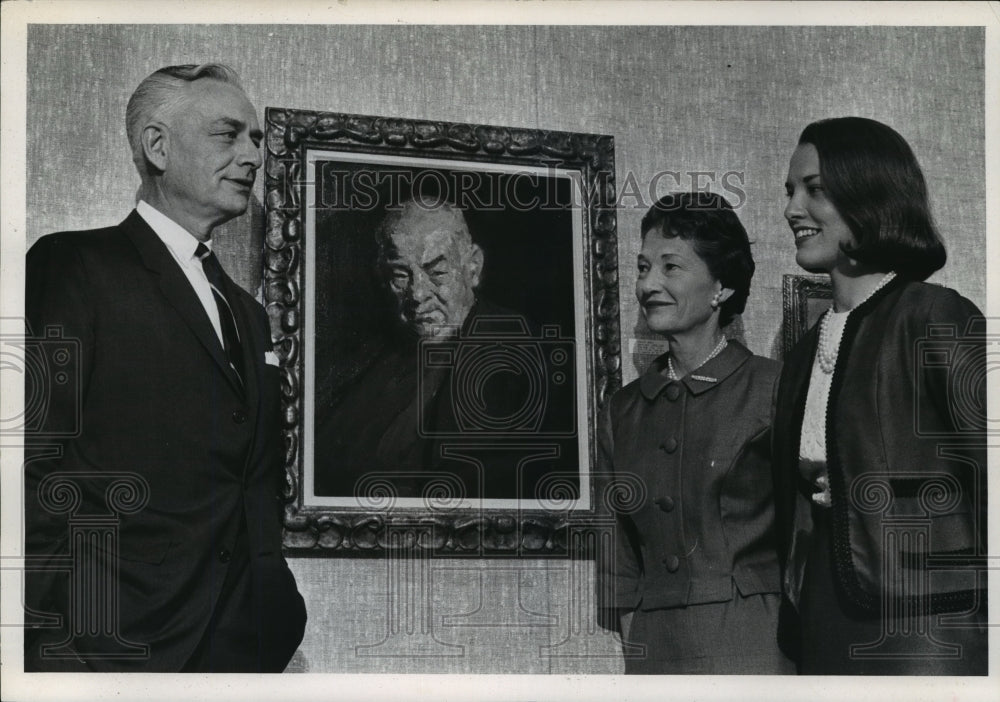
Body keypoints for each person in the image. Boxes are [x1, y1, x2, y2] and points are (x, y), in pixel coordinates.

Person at [24, 64, 306, 672]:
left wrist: (276, 604)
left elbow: (252, 483)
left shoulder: (249, 314)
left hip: (241, 648)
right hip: (109, 650)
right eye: (228, 134)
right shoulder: (74, 267)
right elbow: (32, 465)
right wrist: (44, 645)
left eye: (255, 139)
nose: (252, 155)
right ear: (157, 146)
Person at [773, 116, 987, 674]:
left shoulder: (935, 316)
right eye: (791, 191)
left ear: (868, 193)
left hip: (925, 626)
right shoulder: (800, 357)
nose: (792, 209)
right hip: (824, 616)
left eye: (814, 189)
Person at [597, 192, 793, 674]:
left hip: (757, 641)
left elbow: (807, 536)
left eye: (670, 268)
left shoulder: (775, 388)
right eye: (643, 268)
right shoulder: (621, 410)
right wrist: (635, 637)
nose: (648, 285)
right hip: (654, 649)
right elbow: (618, 557)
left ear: (721, 287)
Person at [313, 199, 576, 502]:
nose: (417, 294)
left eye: (437, 272)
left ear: (472, 268)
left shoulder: (518, 355)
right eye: (401, 274)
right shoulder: (367, 358)